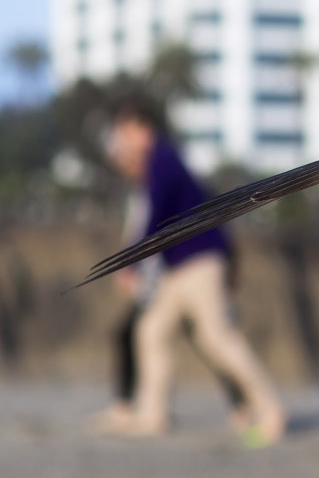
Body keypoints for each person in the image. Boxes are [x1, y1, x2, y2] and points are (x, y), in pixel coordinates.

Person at [100, 94, 286, 445]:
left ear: (142, 129)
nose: (121, 139)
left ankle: (270, 408)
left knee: (216, 337)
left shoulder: (163, 157)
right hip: (179, 265)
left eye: (125, 131)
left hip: (198, 260)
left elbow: (155, 212)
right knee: (151, 331)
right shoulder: (160, 160)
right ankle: (152, 414)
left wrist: (131, 263)